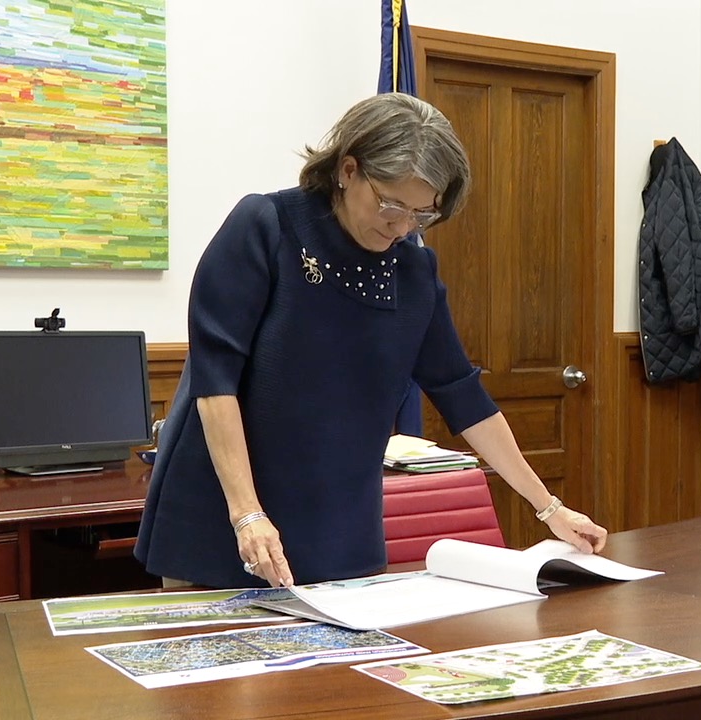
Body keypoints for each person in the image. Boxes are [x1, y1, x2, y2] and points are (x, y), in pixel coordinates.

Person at [135, 93, 608, 590]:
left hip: (339, 517)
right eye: (391, 205)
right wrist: (247, 514)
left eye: (421, 214)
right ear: (349, 169)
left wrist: (548, 507)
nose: (402, 227)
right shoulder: (267, 227)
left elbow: (463, 395)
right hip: (227, 507)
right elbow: (215, 383)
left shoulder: (414, 271)